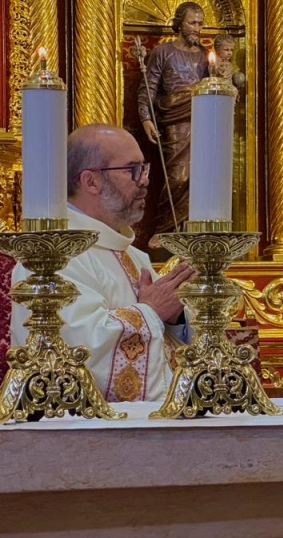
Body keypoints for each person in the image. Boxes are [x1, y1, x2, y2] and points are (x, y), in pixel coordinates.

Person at [11, 124, 196, 402]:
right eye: (133, 169)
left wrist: (174, 317)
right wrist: (152, 311)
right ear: (91, 182)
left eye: (144, 168)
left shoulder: (133, 255)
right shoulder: (51, 256)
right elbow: (77, 348)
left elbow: (168, 343)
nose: (145, 180)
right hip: (79, 421)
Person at [136, 1, 209, 235]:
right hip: (174, 120)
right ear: (179, 24)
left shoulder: (205, 55)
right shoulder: (163, 52)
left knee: (200, 177)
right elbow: (148, 87)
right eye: (192, 23)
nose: (197, 28)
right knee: (177, 176)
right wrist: (146, 118)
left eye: (200, 24)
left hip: (201, 120)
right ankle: (166, 231)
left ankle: (191, 231)